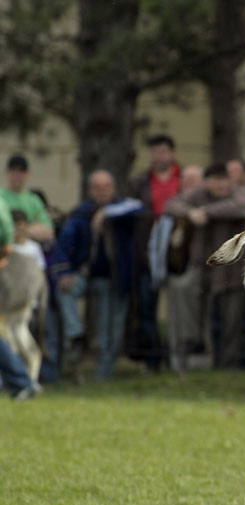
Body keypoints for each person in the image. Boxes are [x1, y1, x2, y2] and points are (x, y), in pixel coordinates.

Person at [53, 170, 141, 379]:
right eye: (98, 188)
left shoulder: (124, 210)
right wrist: (65, 272)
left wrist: (105, 214)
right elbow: (63, 244)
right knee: (65, 289)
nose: (103, 192)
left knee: (110, 328)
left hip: (116, 279)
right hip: (87, 275)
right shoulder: (81, 214)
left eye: (106, 187)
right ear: (91, 190)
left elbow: (137, 206)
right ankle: (75, 333)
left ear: (113, 189)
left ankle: (105, 374)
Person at [164, 163, 245, 370]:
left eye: (224, 180)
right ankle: (202, 358)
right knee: (200, 313)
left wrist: (204, 211)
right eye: (216, 181)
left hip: (233, 269)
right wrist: (190, 213)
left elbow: (239, 208)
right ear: (207, 183)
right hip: (203, 267)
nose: (221, 185)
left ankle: (227, 366)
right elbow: (171, 205)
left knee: (231, 321)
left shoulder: (239, 193)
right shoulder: (198, 194)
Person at [127, 134, 181, 371]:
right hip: (147, 251)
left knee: (177, 308)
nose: (158, 156)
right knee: (147, 307)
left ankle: (177, 355)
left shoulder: (183, 179)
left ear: (172, 154)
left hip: (178, 251)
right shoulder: (139, 182)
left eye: (163, 151)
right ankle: (154, 356)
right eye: (154, 152)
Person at [0, 199, 40, 399]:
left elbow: (5, 236)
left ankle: (21, 381)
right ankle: (21, 381)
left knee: (13, 335)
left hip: (14, 295)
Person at [0, 154, 54, 244]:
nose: (17, 175)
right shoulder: (1, 196)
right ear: (6, 172)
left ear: (27, 174)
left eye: (21, 171)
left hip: (26, 249)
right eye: (13, 170)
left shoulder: (33, 200)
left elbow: (48, 232)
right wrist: (29, 227)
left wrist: (19, 230)